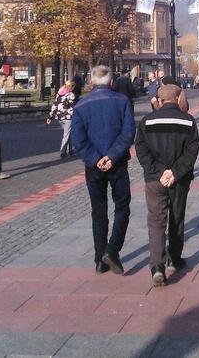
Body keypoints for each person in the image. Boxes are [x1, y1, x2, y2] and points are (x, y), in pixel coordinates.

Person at [71, 65, 136, 274]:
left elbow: (78, 140)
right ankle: (112, 249)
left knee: (98, 211)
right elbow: (128, 132)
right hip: (117, 163)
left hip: (94, 166)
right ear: (111, 82)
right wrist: (112, 156)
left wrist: (96, 158)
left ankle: (100, 259)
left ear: (91, 82)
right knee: (122, 207)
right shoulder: (122, 101)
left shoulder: (81, 105)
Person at [135, 83, 199, 285]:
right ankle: (174, 257)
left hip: (155, 179)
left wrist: (159, 171)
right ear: (179, 98)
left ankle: (157, 265)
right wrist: (175, 172)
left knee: (156, 220)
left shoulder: (147, 121)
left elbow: (141, 150)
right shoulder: (188, 121)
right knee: (176, 217)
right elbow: (192, 151)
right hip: (179, 179)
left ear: (160, 101)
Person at [47, 81, 77, 158]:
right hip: (68, 117)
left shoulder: (59, 94)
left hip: (59, 117)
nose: (73, 88)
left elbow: (54, 105)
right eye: (73, 86)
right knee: (66, 135)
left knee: (69, 133)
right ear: (70, 86)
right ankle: (63, 151)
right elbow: (73, 106)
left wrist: (50, 117)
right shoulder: (71, 94)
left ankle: (70, 150)